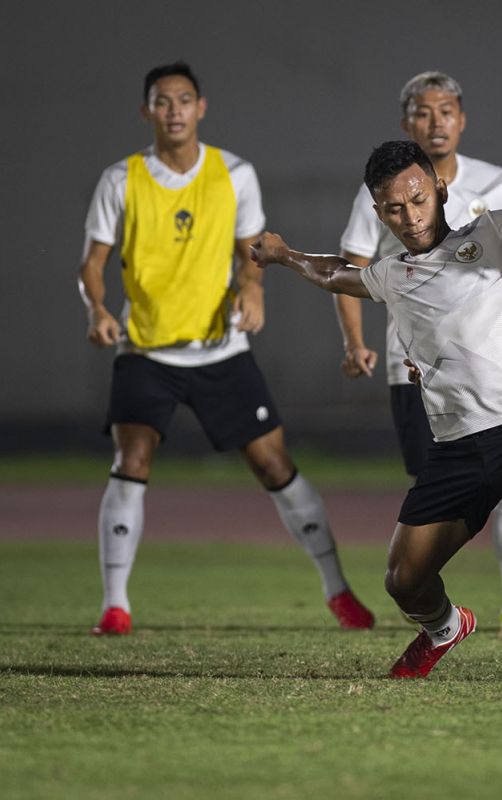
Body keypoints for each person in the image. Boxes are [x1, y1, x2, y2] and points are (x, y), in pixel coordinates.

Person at [251, 140, 502, 679]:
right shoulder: (391, 274)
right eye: (393, 208)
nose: (410, 217)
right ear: (377, 211)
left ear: (440, 189)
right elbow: (335, 274)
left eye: (418, 199)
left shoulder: (492, 233)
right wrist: (282, 254)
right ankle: (444, 627)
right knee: (402, 580)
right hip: (457, 448)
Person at [76, 62, 375, 635]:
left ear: (201, 107)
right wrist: (96, 310)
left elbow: (252, 251)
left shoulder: (233, 172)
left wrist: (255, 287)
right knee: (130, 462)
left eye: (184, 99)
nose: (174, 110)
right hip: (147, 350)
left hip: (221, 351)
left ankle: (338, 592)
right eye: (162, 102)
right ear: (147, 112)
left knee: (274, 464)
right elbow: (91, 265)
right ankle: (115, 606)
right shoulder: (121, 179)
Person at [334, 71, 502, 640]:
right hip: (416, 372)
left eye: (446, 111)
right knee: (437, 489)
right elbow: (350, 267)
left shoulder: (493, 181)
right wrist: (356, 343)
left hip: (499, 371)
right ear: (407, 123)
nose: (436, 122)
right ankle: (441, 610)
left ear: (462, 118)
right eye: (423, 114)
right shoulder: (376, 189)